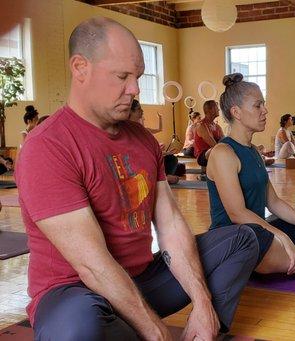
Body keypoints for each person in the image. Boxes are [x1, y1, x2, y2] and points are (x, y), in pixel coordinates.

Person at [15, 17, 259, 340]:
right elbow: (92, 265)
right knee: (76, 328)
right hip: (76, 294)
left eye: (138, 77)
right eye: (122, 76)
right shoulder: (47, 146)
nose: (135, 89)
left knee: (243, 239)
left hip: (142, 279)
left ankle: (202, 332)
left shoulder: (143, 140)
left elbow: (170, 224)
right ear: (80, 68)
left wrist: (202, 303)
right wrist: (154, 330)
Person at [207, 73, 295, 278]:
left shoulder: (254, 151)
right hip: (234, 240)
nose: (265, 111)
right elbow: (237, 214)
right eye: (258, 106)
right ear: (236, 112)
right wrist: (281, 236)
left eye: (263, 104)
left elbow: (273, 202)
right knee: (256, 237)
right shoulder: (223, 153)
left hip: (258, 231)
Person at [130, 99, 179, 184]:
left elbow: (152, 150)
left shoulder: (144, 130)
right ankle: (163, 178)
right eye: (139, 109)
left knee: (172, 159)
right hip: (138, 164)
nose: (142, 111)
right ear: (130, 112)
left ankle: (163, 177)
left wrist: (166, 153)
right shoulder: (127, 130)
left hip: (149, 159)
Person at [194, 100, 224, 172]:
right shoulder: (201, 125)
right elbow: (213, 144)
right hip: (203, 156)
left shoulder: (217, 126)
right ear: (211, 110)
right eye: (217, 107)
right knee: (215, 149)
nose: (219, 109)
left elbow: (225, 141)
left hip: (216, 152)